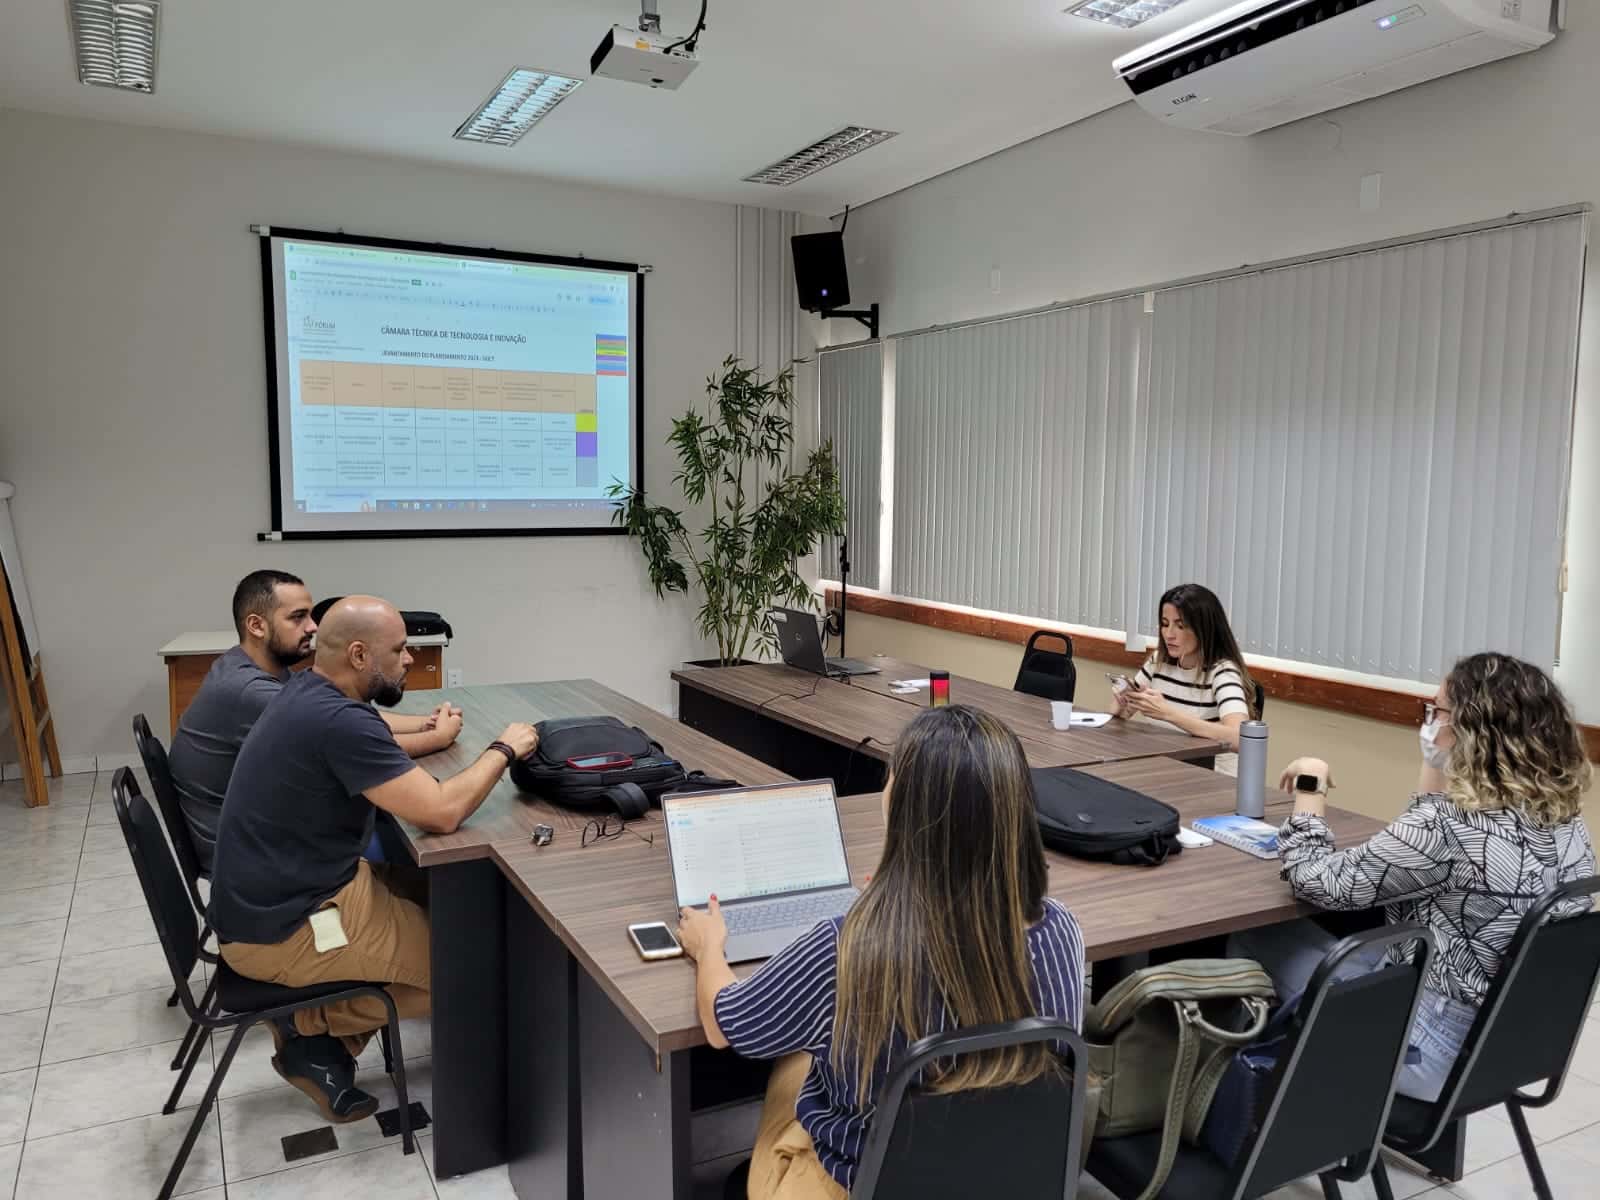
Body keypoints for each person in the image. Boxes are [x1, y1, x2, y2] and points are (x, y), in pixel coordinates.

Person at [677, 705, 1085, 1199]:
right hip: (1006, 1182)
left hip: (861, 1187)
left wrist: (708, 947)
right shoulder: (1060, 930)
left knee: (793, 1061)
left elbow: (724, 1026)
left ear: (903, 806)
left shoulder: (846, 944)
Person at [209, 596, 539, 1123]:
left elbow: (378, 743)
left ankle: (312, 1031)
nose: (410, 658)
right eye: (400, 649)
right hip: (289, 928)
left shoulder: (311, 695)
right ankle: (312, 1025)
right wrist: (503, 749)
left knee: (462, 901)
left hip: (290, 897)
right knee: (475, 961)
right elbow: (442, 812)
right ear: (360, 655)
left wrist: (434, 736)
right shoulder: (336, 719)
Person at [1239, 652, 1595, 1103]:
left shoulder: (1451, 826)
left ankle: (1262, 1100)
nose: (1427, 722)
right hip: (1508, 1043)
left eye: (1437, 712)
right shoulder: (1567, 822)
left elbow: (1317, 880)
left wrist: (1311, 788)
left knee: (1249, 940)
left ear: (1471, 730)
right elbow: (1419, 842)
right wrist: (1439, 765)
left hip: (1426, 1048)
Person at [168, 570, 465, 872]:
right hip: (251, 859)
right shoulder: (249, 691)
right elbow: (349, 736)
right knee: (413, 830)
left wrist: (422, 723)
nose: (312, 627)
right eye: (298, 617)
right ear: (256, 625)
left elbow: (342, 717)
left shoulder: (253, 665)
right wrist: (438, 738)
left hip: (259, 834)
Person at [1112, 582, 1256, 755]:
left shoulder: (1222, 672)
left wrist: (1169, 714)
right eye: (1165, 624)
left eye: (1180, 626)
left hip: (1207, 771)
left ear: (1204, 629)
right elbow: (1120, 715)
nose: (1169, 634)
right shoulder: (1158, 661)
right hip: (1163, 761)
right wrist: (1122, 705)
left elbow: (1240, 739)